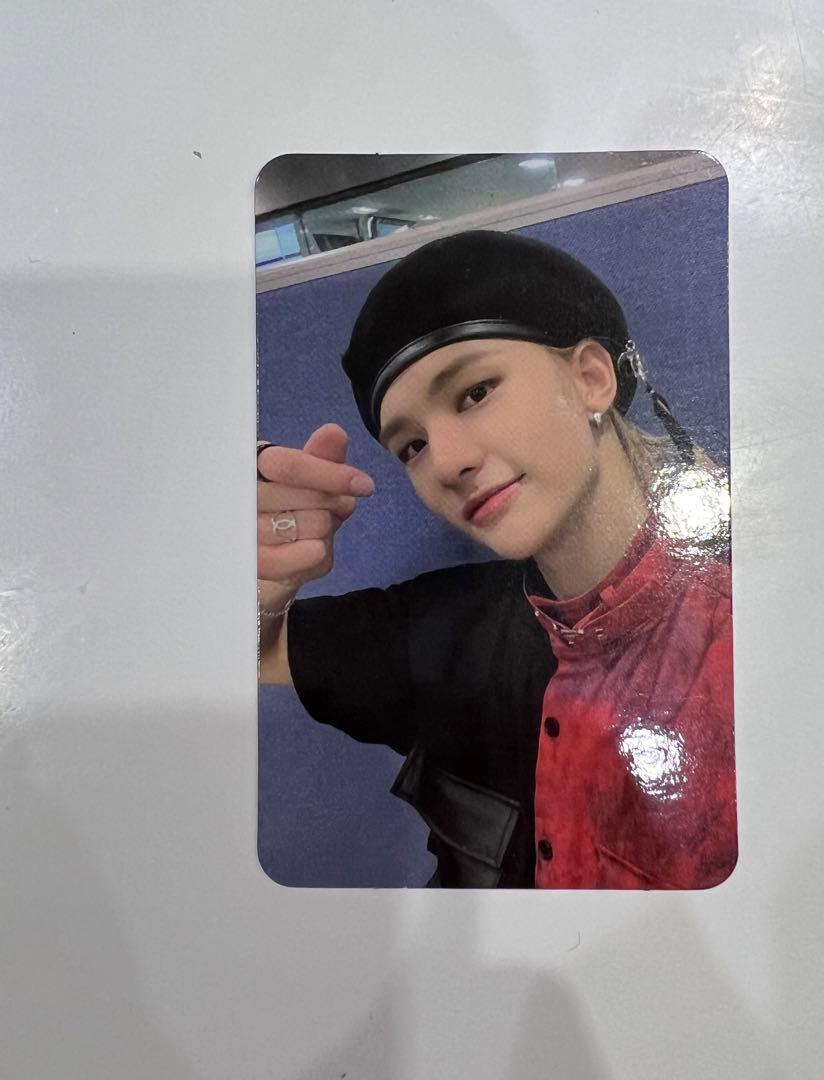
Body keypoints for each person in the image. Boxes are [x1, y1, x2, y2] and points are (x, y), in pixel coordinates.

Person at [257, 230, 736, 889]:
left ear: (591, 378)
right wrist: (246, 574)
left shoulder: (775, 604)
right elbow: (252, 649)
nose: (446, 462)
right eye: (412, 446)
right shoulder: (447, 637)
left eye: (476, 392)